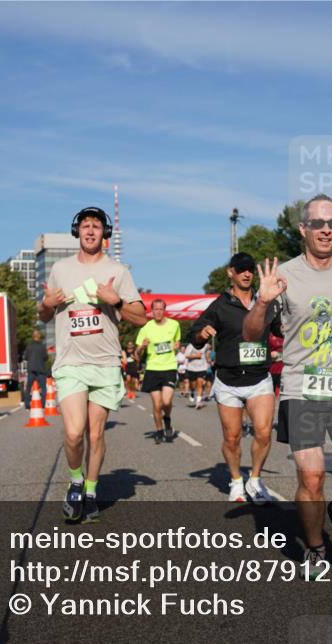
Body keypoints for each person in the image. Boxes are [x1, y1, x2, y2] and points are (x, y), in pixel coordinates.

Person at [243, 194, 332, 573]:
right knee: (312, 475)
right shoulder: (283, 274)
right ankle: (316, 548)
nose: (325, 230)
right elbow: (251, 334)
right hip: (302, 388)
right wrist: (261, 302)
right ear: (303, 228)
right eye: (317, 223)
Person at [39, 205, 147, 524]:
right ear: (77, 232)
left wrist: (114, 301)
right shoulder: (60, 269)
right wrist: (46, 305)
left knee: (96, 435)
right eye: (84, 225)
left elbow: (140, 316)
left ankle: (90, 489)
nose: (90, 231)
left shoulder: (119, 271)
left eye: (96, 226)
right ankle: (75, 480)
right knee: (74, 433)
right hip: (70, 361)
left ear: (105, 234)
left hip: (105, 363)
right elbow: (44, 314)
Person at [190, 252, 279, 504]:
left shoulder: (266, 301)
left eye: (250, 268)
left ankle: (255, 478)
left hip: (259, 377)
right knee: (232, 437)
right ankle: (236, 481)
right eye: (241, 269)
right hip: (228, 380)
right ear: (231, 272)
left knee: (263, 433)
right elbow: (194, 335)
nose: (247, 273)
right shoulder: (220, 305)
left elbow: (280, 328)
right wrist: (202, 334)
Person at [136, 299, 181, 443]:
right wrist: (142, 347)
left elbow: (177, 342)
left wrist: (177, 346)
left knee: (166, 402)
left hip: (169, 367)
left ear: (164, 310)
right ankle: (159, 430)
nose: (158, 312)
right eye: (155, 309)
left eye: (161, 309)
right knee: (156, 404)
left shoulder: (174, 325)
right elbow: (137, 354)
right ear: (152, 311)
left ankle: (167, 418)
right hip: (152, 369)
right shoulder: (146, 328)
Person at [23, 329, 49, 406]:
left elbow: (25, 357)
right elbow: (46, 357)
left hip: (31, 369)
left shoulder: (29, 346)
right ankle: (43, 404)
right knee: (43, 388)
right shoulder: (42, 346)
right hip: (41, 370)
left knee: (28, 388)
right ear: (39, 336)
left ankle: (27, 404)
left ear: (33, 336)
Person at [183, 339, 211, 409]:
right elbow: (186, 355)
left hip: (202, 367)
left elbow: (208, 349)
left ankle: (198, 402)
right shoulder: (191, 345)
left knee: (200, 383)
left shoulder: (205, 345)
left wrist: (208, 358)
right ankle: (192, 391)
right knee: (193, 385)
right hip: (192, 368)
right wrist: (196, 356)